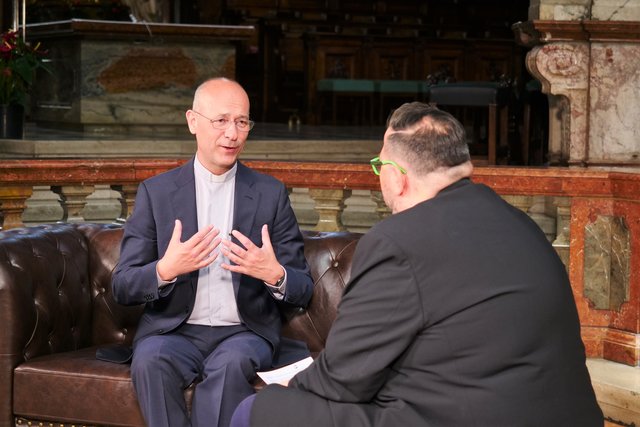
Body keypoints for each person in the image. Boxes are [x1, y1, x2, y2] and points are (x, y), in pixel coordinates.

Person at [231, 102, 604, 426]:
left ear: (397, 176)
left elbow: (342, 380)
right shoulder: (522, 225)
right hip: (569, 416)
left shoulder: (396, 242)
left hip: (461, 418)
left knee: (257, 410)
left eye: (379, 165)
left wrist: (287, 387)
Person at [111, 77, 314, 427]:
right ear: (193, 121)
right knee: (150, 359)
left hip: (243, 334)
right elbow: (122, 285)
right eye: (221, 121)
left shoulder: (270, 194)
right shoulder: (156, 193)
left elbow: (303, 287)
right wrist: (165, 270)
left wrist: (274, 274)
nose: (232, 134)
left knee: (232, 363)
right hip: (173, 332)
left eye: (242, 122)